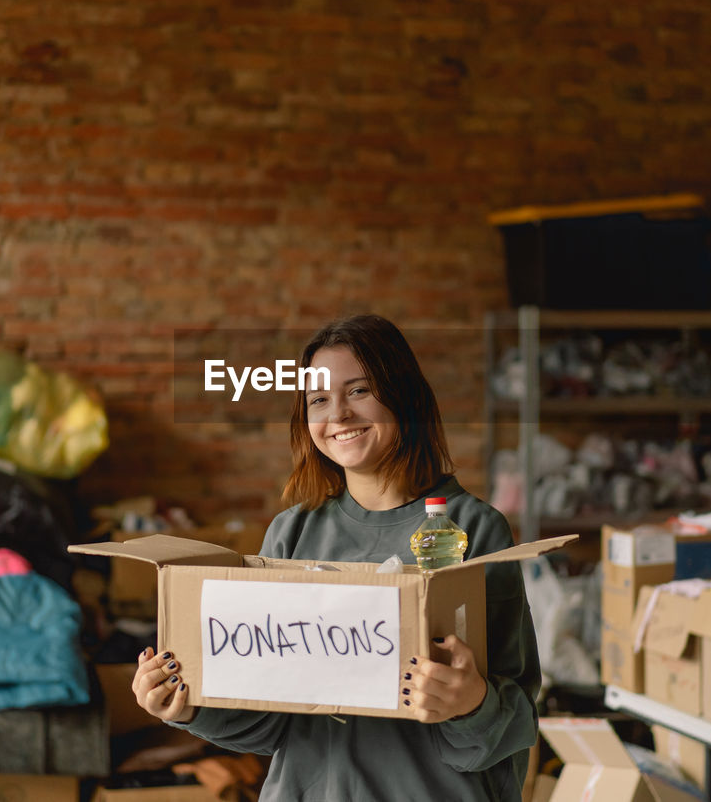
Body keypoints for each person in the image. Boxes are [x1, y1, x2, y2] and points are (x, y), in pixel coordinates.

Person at [132, 314, 541, 801]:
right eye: (319, 399)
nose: (339, 414)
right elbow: (268, 724)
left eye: (360, 391)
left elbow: (513, 721)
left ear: (404, 396)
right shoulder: (291, 533)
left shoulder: (471, 530)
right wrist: (185, 707)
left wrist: (472, 703)